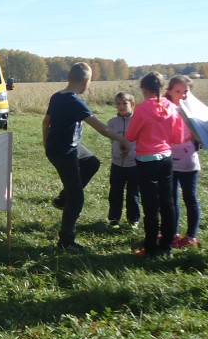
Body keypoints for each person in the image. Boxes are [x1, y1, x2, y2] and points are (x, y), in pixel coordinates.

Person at [42, 62, 129, 253]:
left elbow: (46, 122)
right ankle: (66, 242)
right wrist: (122, 139)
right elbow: (101, 128)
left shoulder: (57, 96)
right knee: (77, 199)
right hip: (64, 153)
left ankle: (63, 198)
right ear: (86, 81)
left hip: (63, 148)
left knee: (91, 163)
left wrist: (45, 143)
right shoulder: (75, 102)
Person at [126, 73, 189, 257]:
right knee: (167, 202)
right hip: (166, 158)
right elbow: (178, 138)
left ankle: (151, 247)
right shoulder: (172, 107)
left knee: (150, 205)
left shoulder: (142, 108)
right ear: (162, 88)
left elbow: (130, 135)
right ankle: (167, 245)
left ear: (144, 89)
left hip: (146, 160)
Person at [165, 75, 201, 248]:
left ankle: (192, 235)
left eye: (186, 91)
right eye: (178, 91)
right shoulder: (165, 108)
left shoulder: (194, 110)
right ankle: (173, 232)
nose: (182, 95)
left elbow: (202, 133)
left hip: (188, 160)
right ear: (170, 91)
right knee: (171, 198)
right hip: (169, 159)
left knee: (189, 197)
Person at [106, 92, 140, 230]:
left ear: (132, 104)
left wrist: (132, 153)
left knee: (133, 193)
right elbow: (112, 140)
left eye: (124, 103)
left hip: (134, 164)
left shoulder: (138, 121)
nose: (121, 106)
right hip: (117, 163)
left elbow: (141, 141)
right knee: (115, 191)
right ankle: (114, 218)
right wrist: (117, 153)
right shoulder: (112, 123)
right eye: (118, 104)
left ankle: (133, 219)